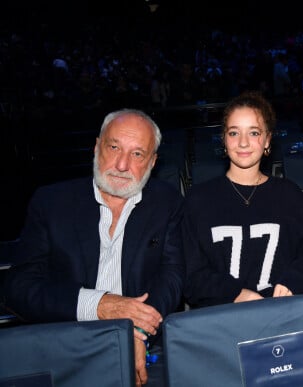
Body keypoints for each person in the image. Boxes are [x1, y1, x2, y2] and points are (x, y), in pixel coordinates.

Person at [3, 109, 185, 386]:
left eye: (137, 154)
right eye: (114, 147)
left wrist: (138, 330)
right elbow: (18, 286)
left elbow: (172, 275)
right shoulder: (52, 203)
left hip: (144, 348)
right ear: (97, 147)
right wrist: (98, 304)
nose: (122, 165)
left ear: (152, 161)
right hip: (66, 351)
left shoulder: (166, 201)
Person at [182, 90, 303, 308]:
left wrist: (294, 281)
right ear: (223, 139)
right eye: (234, 133)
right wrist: (235, 293)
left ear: (268, 140)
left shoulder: (288, 194)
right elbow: (191, 273)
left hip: (282, 313)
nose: (243, 143)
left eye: (253, 133)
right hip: (221, 320)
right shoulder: (198, 200)